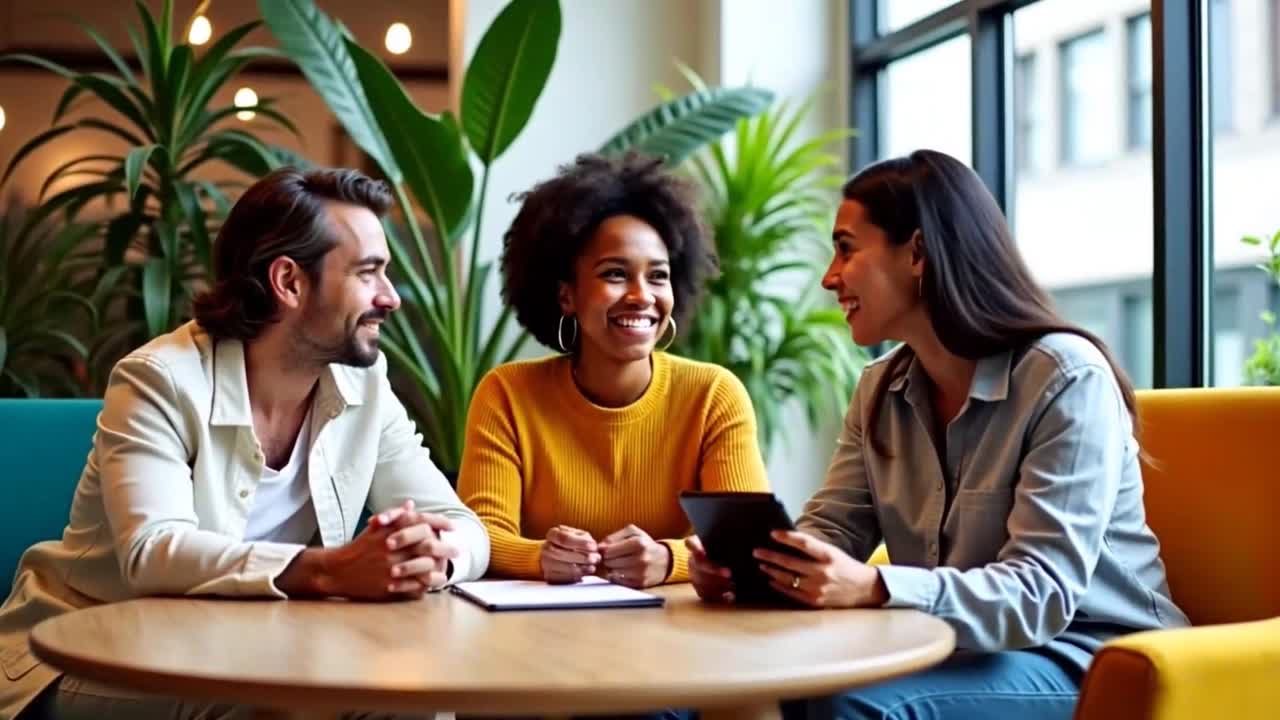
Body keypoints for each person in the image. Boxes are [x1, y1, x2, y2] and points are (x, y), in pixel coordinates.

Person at [685, 149, 1189, 719]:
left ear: (918, 253)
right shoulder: (880, 388)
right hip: (953, 648)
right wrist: (758, 568)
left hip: (1092, 657)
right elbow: (833, 528)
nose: (829, 277)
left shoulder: (1067, 379)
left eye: (846, 248)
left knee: (849, 702)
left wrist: (876, 587)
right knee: (756, 680)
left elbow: (1040, 595)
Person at [0, 167, 489, 720]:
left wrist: (428, 562)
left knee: (416, 697)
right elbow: (153, 552)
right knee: (275, 705)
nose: (391, 298)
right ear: (289, 282)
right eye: (369, 273)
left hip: (246, 649)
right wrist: (327, 570)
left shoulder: (363, 385)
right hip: (88, 655)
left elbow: (461, 524)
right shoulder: (159, 378)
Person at [457, 152, 769, 590]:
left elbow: (744, 543)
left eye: (658, 276)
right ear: (567, 295)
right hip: (538, 640)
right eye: (616, 273)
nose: (642, 296)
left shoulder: (714, 395)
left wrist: (667, 558)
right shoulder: (507, 395)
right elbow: (483, 537)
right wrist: (540, 557)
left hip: (682, 638)